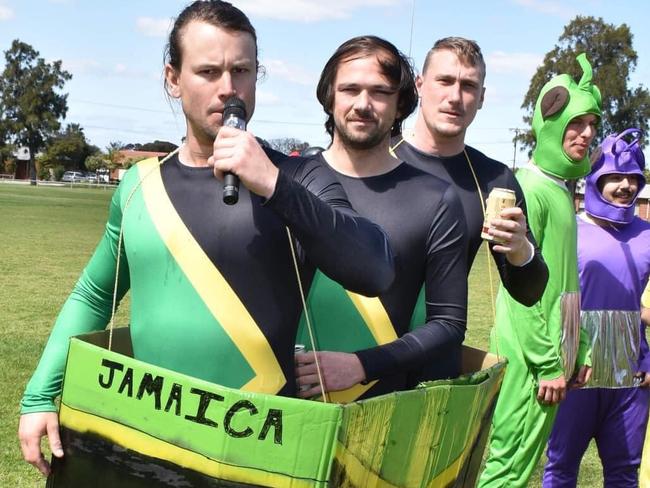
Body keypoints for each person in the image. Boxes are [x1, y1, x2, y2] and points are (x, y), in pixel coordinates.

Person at [18, 0, 395, 476]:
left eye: (242, 70)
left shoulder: (300, 176)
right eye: (208, 71)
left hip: (258, 448)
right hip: (146, 441)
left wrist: (274, 185)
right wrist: (38, 396)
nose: (228, 89)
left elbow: (374, 269)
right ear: (173, 79)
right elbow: (93, 294)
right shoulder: (138, 187)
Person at [294, 36, 468, 400]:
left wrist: (361, 365)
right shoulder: (284, 181)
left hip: (378, 410)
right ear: (330, 96)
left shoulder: (435, 199)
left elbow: (449, 325)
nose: (362, 104)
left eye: (380, 92)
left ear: (401, 103)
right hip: (274, 406)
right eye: (350, 89)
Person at [478, 53, 602, 488]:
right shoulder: (528, 187)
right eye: (576, 122)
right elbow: (519, 290)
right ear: (549, 121)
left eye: (592, 124)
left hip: (553, 361)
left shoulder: (561, 190)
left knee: (522, 466)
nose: (587, 134)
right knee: (506, 468)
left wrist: (580, 349)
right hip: (531, 362)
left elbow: (567, 284)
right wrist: (549, 362)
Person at [391, 37, 548, 315]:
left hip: (439, 351)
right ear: (420, 85)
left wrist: (519, 249)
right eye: (444, 81)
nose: (454, 97)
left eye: (468, 86)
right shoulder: (375, 155)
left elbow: (529, 293)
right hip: (355, 349)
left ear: (482, 97)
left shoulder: (494, 180)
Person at [543, 129, 650, 487]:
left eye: (634, 178)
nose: (626, 186)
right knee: (559, 469)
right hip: (574, 369)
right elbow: (543, 299)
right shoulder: (567, 228)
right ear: (594, 179)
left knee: (623, 473)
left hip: (630, 375)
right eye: (615, 177)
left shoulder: (648, 234)